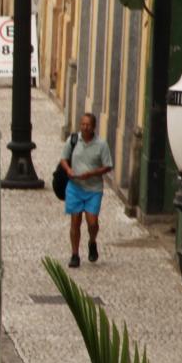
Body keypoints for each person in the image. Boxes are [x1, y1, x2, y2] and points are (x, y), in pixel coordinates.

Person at [59, 111, 113, 268]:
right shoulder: (73, 140)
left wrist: (91, 173)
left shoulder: (101, 145)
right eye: (82, 124)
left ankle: (92, 241)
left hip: (94, 189)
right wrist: (68, 170)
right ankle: (75, 254)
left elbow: (108, 166)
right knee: (75, 221)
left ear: (94, 127)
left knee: (92, 222)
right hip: (75, 187)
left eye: (88, 125)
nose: (84, 127)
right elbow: (63, 158)